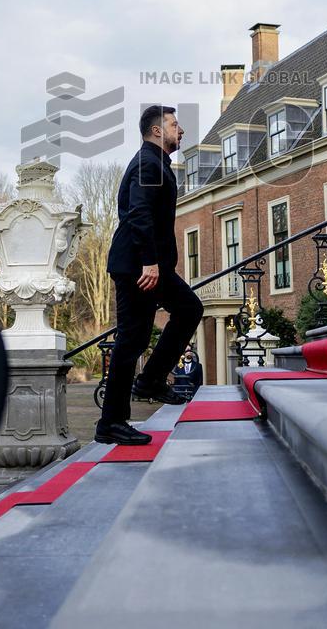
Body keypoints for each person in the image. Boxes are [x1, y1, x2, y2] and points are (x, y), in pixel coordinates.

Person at [96, 105, 203, 446]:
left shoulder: (156, 163)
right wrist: (149, 262)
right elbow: (138, 211)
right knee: (132, 339)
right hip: (139, 266)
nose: (180, 129)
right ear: (157, 131)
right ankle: (111, 422)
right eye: (174, 124)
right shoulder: (147, 162)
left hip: (150, 264)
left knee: (188, 309)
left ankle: (151, 380)